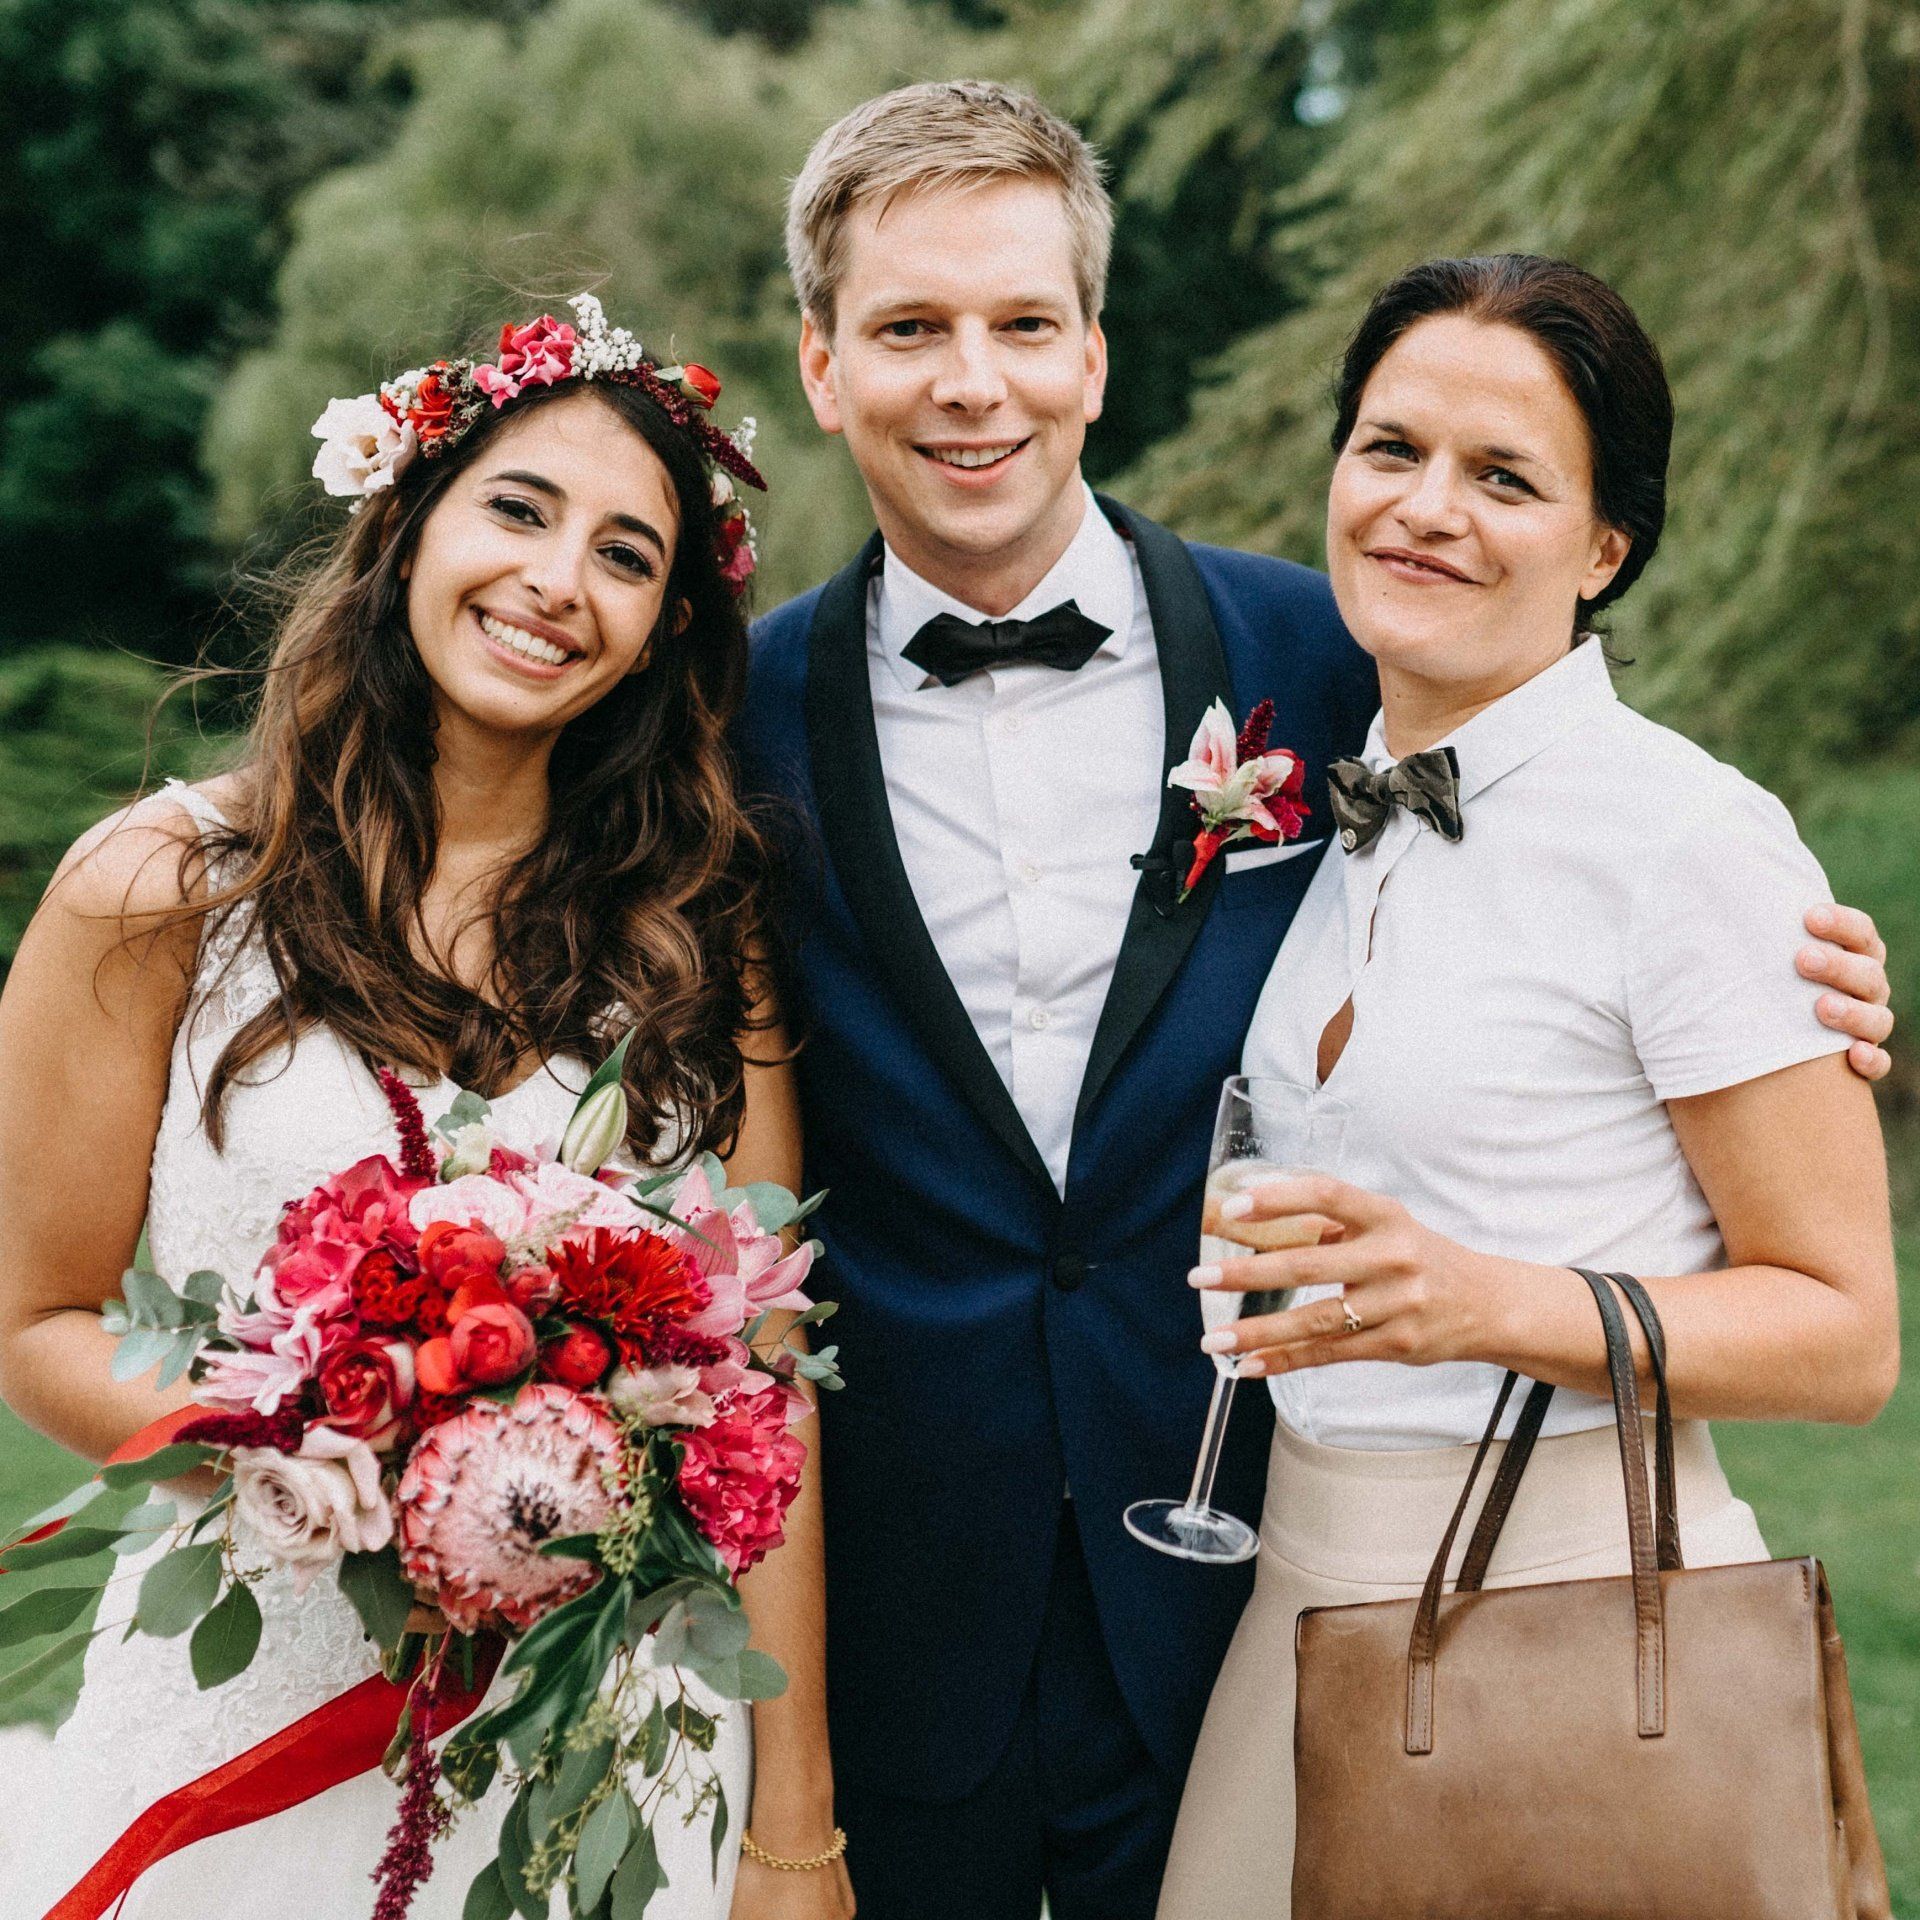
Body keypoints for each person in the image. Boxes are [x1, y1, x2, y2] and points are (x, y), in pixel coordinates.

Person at [735, 84, 1897, 1920]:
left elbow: (1624, 868)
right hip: (910, 1595)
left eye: (1025, 323)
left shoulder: (1313, 655)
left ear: (1097, 355)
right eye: (910, 329)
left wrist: (1795, 975)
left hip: (1282, 1584)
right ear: (820, 365)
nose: (976, 382)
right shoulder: (719, 720)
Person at [0, 302, 852, 1918]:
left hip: (606, 1757)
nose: (555, 581)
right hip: (242, 1713)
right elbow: (30, 1316)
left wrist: (793, 1834)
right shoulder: (160, 889)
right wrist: (257, 1442)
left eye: (624, 553)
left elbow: (765, 1391)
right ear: (406, 527)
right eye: (518, 510)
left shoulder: (694, 939)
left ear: (668, 625)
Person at [1156, 254, 1901, 1919]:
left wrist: (1478, 1299)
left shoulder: (1688, 841)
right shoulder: (1325, 814)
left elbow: (1847, 1340)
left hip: (1575, 1605)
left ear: (1605, 545)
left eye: (1505, 478)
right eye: (1390, 447)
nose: (1428, 509)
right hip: (1296, 1590)